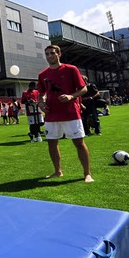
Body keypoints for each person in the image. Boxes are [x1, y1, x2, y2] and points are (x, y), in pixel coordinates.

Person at [37, 45, 94, 183]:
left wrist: (70, 96)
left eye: (52, 53)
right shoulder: (42, 75)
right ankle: (58, 171)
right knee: (51, 143)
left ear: (59, 54)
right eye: (47, 54)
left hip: (70, 113)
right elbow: (42, 93)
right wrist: (41, 103)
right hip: (51, 114)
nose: (49, 56)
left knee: (79, 143)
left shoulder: (71, 69)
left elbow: (84, 89)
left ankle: (87, 174)